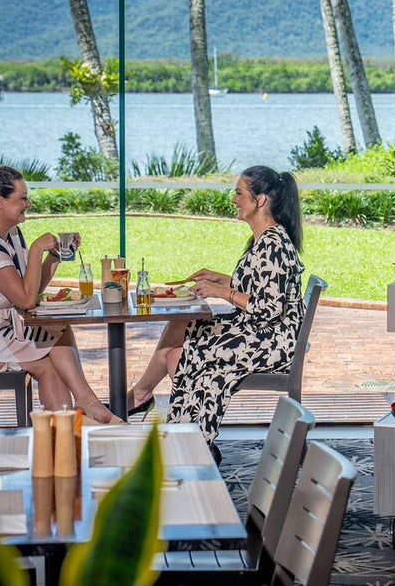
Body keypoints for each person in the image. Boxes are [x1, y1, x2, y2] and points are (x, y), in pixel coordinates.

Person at [126, 166, 305, 457]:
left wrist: (222, 292)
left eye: (239, 193)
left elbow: (269, 308)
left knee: (179, 354)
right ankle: (182, 431)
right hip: (259, 332)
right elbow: (261, 284)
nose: (233, 199)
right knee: (182, 325)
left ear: (260, 200)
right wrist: (221, 278)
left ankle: (193, 441)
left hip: (270, 342)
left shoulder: (273, 244)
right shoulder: (266, 239)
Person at [0, 160, 122, 424]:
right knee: (45, 363)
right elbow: (28, 300)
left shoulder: (11, 234)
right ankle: (77, 416)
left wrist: (53, 257)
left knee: (59, 330)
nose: (28, 204)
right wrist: (35, 250)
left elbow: (29, 291)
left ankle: (76, 417)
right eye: (23, 198)